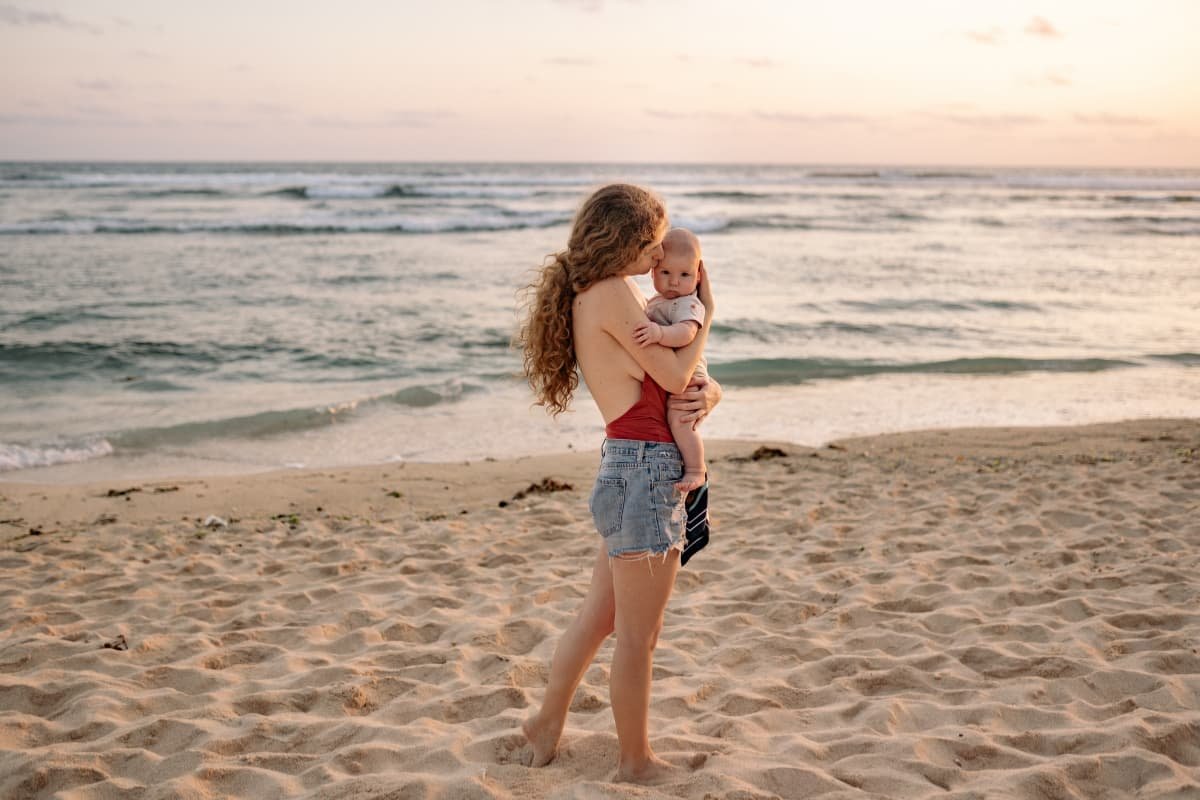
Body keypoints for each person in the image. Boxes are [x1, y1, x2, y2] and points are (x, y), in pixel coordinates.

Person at [516, 184, 720, 784]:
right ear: (628, 239)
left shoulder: (603, 293)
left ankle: (545, 724)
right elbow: (679, 370)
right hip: (647, 472)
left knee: (600, 619)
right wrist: (711, 314)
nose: (661, 253)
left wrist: (709, 392)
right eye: (654, 239)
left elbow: (690, 385)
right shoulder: (610, 294)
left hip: (626, 464)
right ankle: (635, 763)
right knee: (638, 637)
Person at [632, 228, 708, 492]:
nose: (674, 282)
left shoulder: (689, 304)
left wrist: (659, 333)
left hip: (690, 373)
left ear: (698, 276)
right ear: (653, 272)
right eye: (666, 273)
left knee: (680, 418)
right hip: (675, 368)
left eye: (684, 275)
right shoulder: (658, 301)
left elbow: (686, 334)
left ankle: (697, 469)